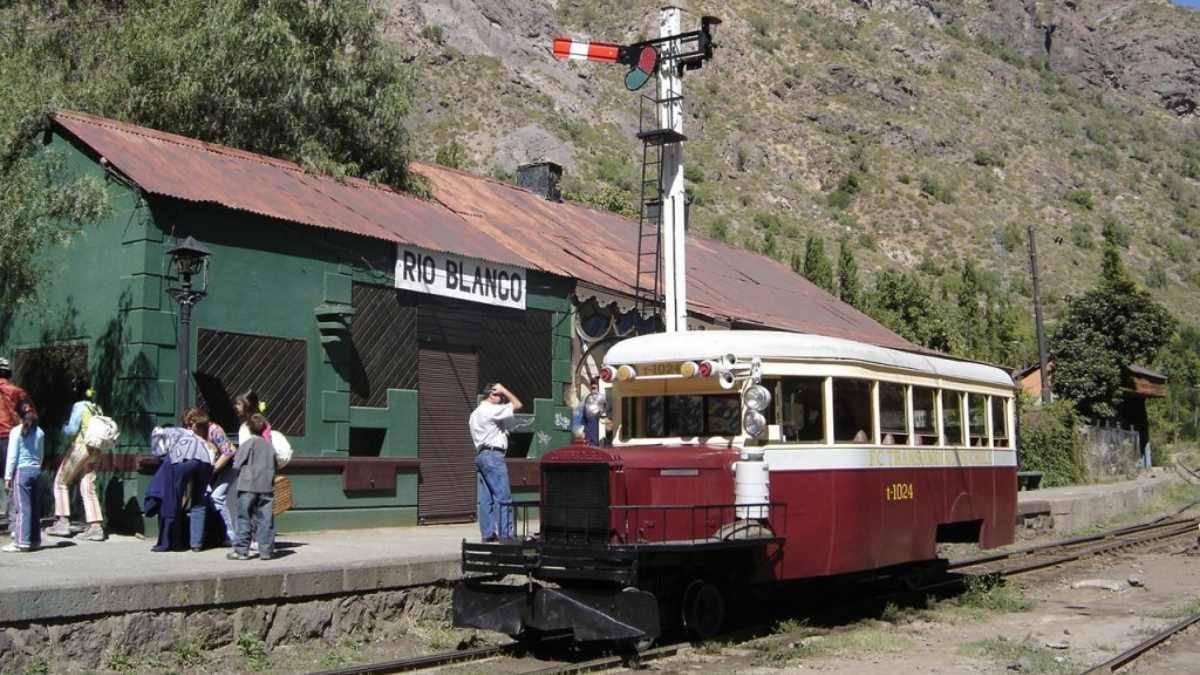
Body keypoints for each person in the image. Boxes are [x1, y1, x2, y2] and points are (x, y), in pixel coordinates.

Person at [47, 377, 106, 541]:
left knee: (60, 482)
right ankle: (96, 527)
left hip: (81, 446)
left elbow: (72, 430)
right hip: (96, 449)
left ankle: (62, 522)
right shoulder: (96, 407)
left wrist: (62, 427)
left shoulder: (79, 406)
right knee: (88, 486)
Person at [147, 417, 213, 552]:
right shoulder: (187, 433)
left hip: (182, 461)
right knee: (198, 502)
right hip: (205, 461)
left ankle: (174, 542)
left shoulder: (160, 432)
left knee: (173, 502)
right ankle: (196, 544)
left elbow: (159, 453)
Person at [469, 382, 522, 542]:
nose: (502, 397)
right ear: (491, 395)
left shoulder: (474, 414)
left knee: (485, 499)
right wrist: (505, 389)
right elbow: (518, 404)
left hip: (481, 456)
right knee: (503, 497)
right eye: (499, 394)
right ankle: (506, 536)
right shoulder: (491, 409)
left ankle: (488, 534)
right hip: (493, 456)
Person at [228, 413, 276, 561]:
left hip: (248, 485)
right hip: (266, 486)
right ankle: (266, 551)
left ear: (249, 428)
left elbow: (236, 464)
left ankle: (241, 551)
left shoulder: (249, 443)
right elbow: (276, 465)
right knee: (266, 519)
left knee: (244, 517)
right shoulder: (270, 446)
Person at [186, 407, 235, 545]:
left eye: (191, 424)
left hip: (228, 467)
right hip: (211, 470)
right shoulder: (195, 434)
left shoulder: (214, 430)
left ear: (199, 422)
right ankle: (215, 533)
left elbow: (228, 452)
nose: (189, 428)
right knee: (207, 499)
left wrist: (212, 470)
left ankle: (230, 537)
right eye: (187, 425)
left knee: (217, 497)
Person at [4, 402, 43, 552]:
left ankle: (21, 541)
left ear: (17, 415)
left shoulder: (16, 431)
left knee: (22, 508)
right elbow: (41, 454)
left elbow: (12, 456)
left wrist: (8, 477)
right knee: (34, 507)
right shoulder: (40, 432)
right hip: (36, 470)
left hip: (22, 472)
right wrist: (37, 466)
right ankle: (35, 540)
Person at [0, 357, 32, 520]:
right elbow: (30, 416)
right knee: (13, 479)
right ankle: (15, 521)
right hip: (9, 439)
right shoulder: (17, 392)